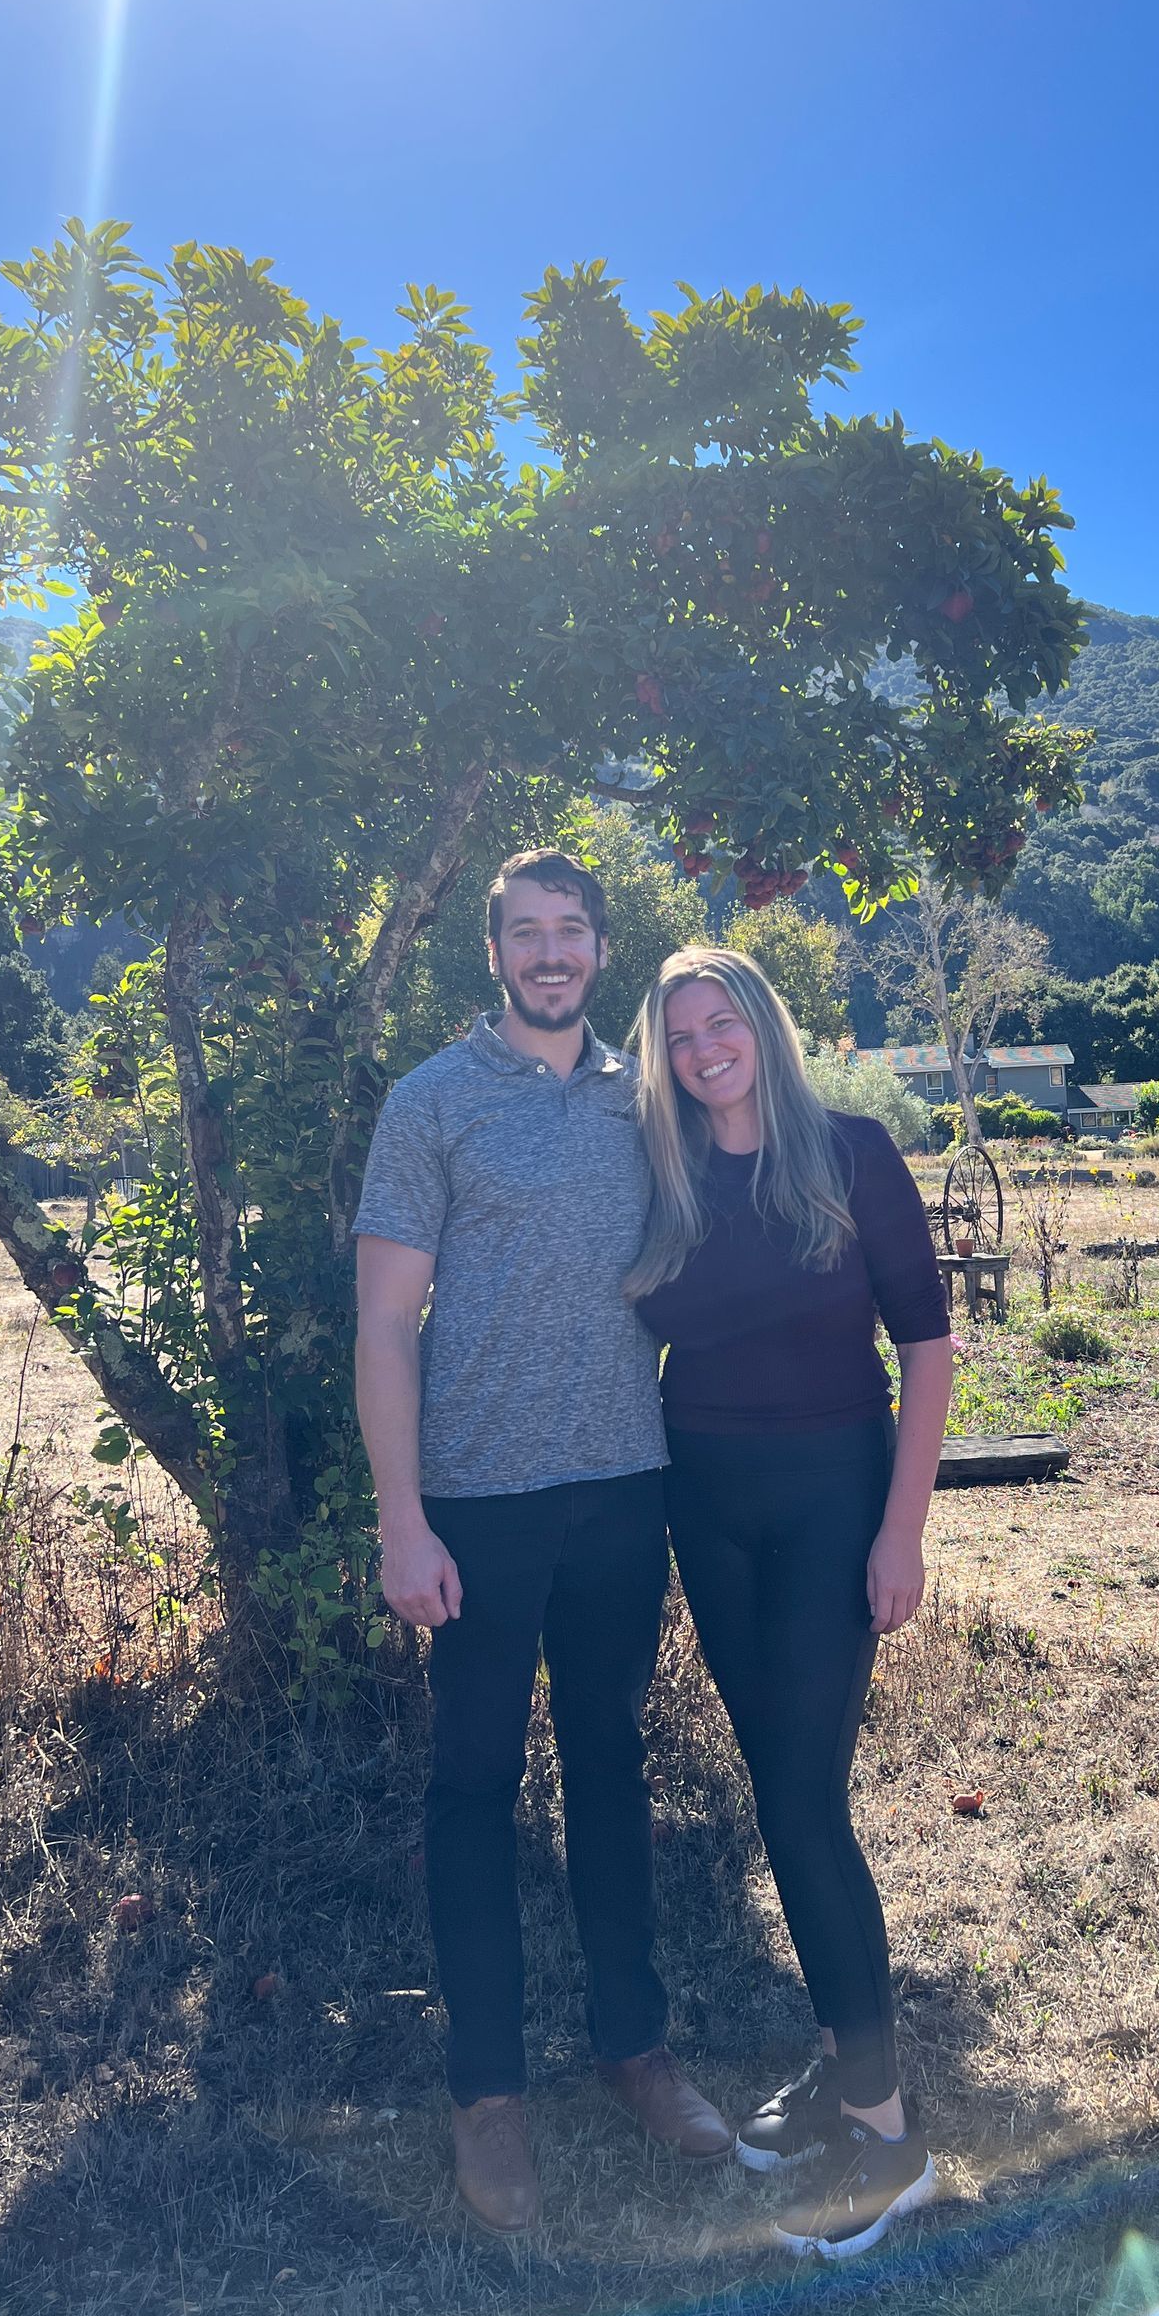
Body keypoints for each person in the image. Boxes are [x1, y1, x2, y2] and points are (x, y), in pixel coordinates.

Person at [353, 852, 730, 2237]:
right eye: (529, 933)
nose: (553, 953)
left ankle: (635, 2051)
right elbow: (387, 1324)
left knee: (615, 1771)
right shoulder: (431, 1104)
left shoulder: (648, 1102)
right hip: (477, 1506)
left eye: (574, 931)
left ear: (601, 946)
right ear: (496, 951)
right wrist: (403, 1517)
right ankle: (489, 2095)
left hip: (625, 1488)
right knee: (472, 1791)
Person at [626, 946, 955, 2261]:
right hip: (706, 1507)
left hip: (833, 1502)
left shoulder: (854, 1152)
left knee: (804, 1806)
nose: (705, 1048)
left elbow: (926, 1344)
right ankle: (843, 2061)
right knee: (781, 1789)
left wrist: (901, 1529)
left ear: (762, 1025)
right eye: (681, 1034)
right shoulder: (664, 1173)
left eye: (723, 1022)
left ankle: (890, 2141)